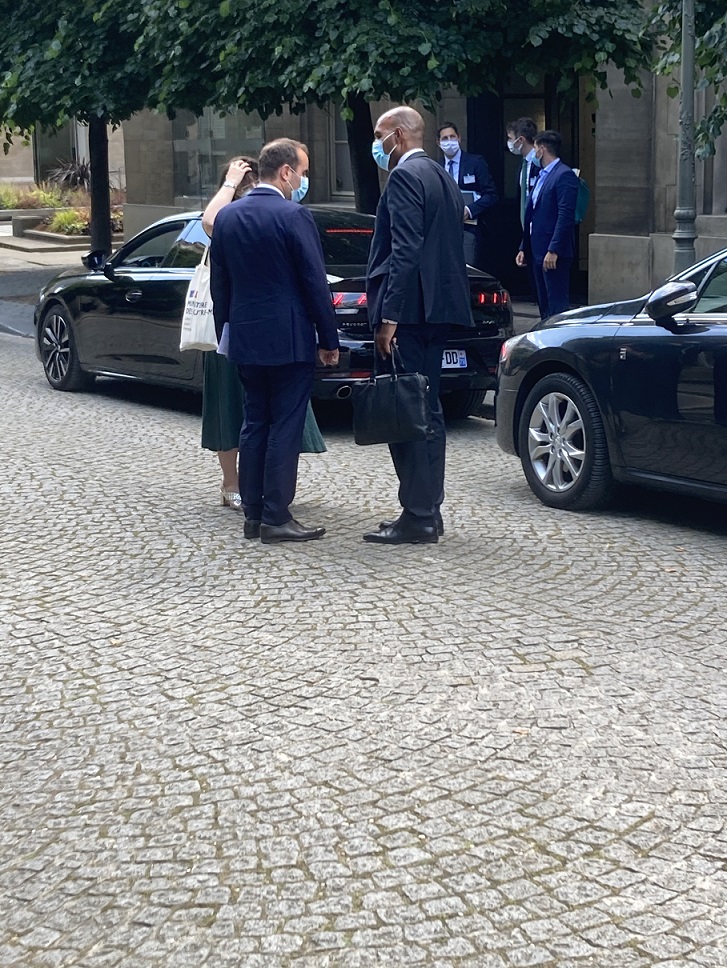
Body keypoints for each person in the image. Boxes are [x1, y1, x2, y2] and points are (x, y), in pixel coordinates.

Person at [210, 138, 340, 544]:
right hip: (290, 338)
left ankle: (252, 513)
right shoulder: (293, 215)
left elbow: (220, 286)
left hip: (246, 336)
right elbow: (314, 283)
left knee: (254, 423)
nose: (302, 180)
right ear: (285, 172)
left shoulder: (228, 218)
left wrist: (226, 333)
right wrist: (328, 337)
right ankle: (277, 515)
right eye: (301, 172)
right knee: (285, 424)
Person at [364, 106, 473, 546]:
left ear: (399, 134)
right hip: (438, 308)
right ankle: (428, 509)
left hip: (411, 313)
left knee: (408, 412)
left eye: (379, 134)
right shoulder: (442, 175)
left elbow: (405, 250)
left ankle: (419, 513)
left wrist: (389, 316)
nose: (377, 143)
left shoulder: (407, 177)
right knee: (428, 411)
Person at [516, 130, 579, 320]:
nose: (534, 153)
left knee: (556, 304)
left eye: (535, 148)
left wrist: (554, 249)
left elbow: (565, 215)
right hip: (536, 249)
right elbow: (533, 213)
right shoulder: (542, 175)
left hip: (552, 252)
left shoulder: (564, 175)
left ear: (542, 149)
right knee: (543, 303)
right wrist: (523, 246)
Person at [437, 121, 498, 271]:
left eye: (452, 136)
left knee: (468, 271)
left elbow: (491, 195)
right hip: (444, 230)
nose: (449, 141)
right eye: (445, 138)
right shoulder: (435, 167)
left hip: (470, 229)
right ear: (438, 143)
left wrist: (469, 210)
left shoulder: (475, 162)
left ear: (459, 138)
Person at [505, 117, 540, 227]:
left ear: (521, 140)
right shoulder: (523, 163)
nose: (509, 143)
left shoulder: (540, 163)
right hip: (526, 226)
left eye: (511, 138)